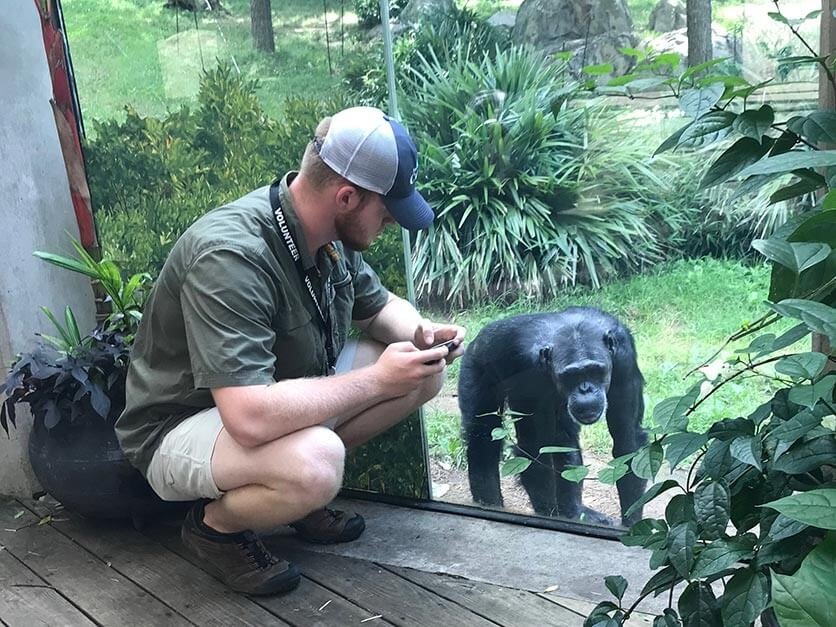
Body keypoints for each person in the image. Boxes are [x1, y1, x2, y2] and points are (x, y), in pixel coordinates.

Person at [115, 106, 466, 596]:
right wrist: (377, 380)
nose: (391, 223)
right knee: (316, 462)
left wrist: (423, 334)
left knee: (423, 372)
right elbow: (250, 417)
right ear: (346, 196)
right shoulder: (231, 257)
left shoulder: (325, 233)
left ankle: (291, 496)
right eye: (387, 213)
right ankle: (215, 527)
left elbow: (378, 305)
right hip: (180, 425)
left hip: (263, 401)